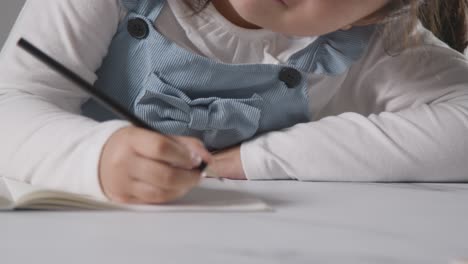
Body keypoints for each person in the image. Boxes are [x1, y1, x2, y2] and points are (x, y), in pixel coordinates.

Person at [0, 0, 467, 204]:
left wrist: (253, 159)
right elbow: (12, 103)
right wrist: (95, 156)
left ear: (380, 11)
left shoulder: (376, 46)